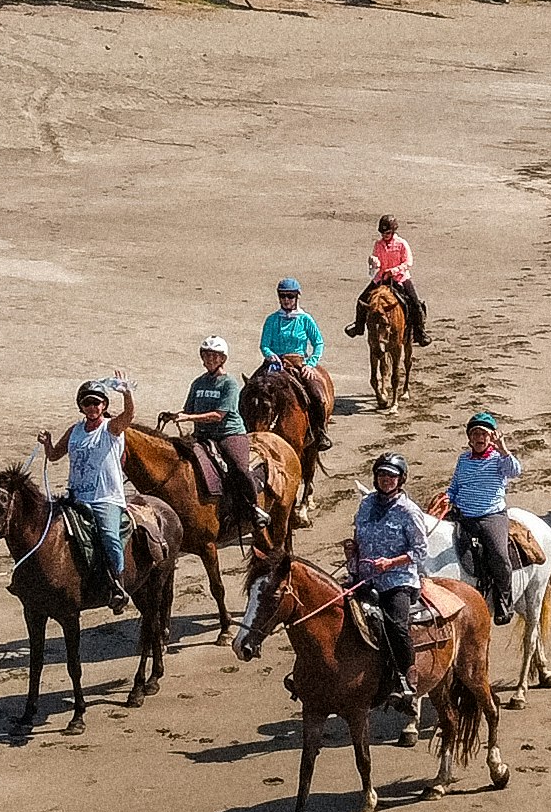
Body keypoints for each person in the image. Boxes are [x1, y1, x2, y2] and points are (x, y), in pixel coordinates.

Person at [38, 382, 135, 607]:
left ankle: (118, 586)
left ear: (103, 405)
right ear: (81, 406)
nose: (91, 407)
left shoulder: (111, 428)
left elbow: (129, 415)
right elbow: (54, 456)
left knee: (110, 537)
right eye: (86, 403)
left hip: (105, 497)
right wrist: (47, 443)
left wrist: (127, 394)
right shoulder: (75, 431)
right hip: (76, 496)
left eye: (96, 402)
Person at [348, 452, 430, 704]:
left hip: (398, 580)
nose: (386, 479)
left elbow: (420, 550)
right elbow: (359, 532)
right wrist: (352, 549)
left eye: (391, 475)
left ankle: (406, 677)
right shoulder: (366, 504)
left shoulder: (409, 511)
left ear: (401, 479)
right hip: (364, 576)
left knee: (395, 624)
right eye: (382, 474)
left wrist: (391, 563)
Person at [442, 412, 523, 619]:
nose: (479, 438)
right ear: (469, 438)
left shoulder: (499, 459)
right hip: (463, 515)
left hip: (491, 516)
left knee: (499, 554)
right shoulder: (463, 459)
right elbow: (456, 485)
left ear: (491, 437)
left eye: (484, 434)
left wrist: (503, 449)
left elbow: (515, 471)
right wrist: (447, 497)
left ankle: (505, 601)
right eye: (475, 433)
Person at [179, 336, 255, 531]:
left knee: (239, 468)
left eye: (215, 356)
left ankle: (253, 509)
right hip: (202, 435)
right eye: (206, 355)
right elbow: (188, 409)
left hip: (228, 434)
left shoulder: (229, 384)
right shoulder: (198, 383)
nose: (210, 359)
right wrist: (176, 415)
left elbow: (218, 415)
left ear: (223, 359)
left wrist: (188, 419)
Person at [257, 276, 332, 451]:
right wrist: (270, 355)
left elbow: (318, 343)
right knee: (250, 391)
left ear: (297, 297)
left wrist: (310, 364)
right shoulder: (272, 320)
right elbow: (264, 344)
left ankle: (320, 432)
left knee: (317, 395)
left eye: (290, 296)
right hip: (275, 364)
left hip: (298, 362)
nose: (286, 300)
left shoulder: (305, 319)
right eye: (283, 296)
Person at [367, 214, 429, 345]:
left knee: (415, 304)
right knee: (362, 300)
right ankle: (358, 325)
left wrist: (394, 271)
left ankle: (420, 332)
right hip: (382, 278)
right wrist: (374, 262)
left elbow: (408, 262)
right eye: (382, 233)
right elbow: (376, 259)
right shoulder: (378, 245)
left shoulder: (402, 244)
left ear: (393, 231)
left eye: (387, 233)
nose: (385, 235)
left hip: (400, 278)